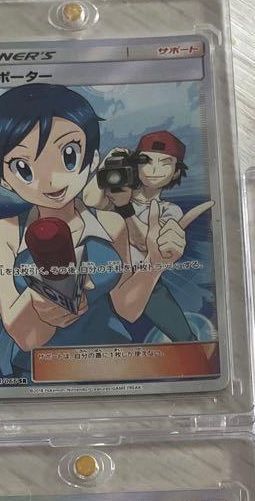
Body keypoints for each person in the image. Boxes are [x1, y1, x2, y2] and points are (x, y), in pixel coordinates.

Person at [0, 85, 205, 372]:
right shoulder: (1, 236)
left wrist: (155, 263)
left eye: (68, 156)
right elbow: (27, 339)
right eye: (23, 167)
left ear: (92, 160)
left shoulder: (110, 223)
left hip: (114, 360)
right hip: (41, 373)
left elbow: (127, 309)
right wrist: (42, 297)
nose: (51, 180)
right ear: (2, 179)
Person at [86, 130, 213, 342]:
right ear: (135, 165)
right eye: (146, 161)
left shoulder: (169, 210)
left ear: (176, 172)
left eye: (165, 163)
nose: (154, 169)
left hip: (145, 278)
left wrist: (125, 209)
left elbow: (148, 244)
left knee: (183, 337)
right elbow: (90, 200)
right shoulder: (119, 190)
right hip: (106, 275)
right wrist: (106, 164)